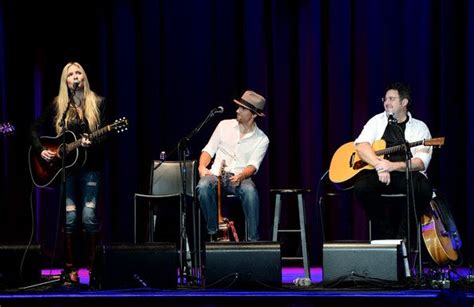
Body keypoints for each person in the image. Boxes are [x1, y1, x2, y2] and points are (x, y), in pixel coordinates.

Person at [30, 62, 106, 285]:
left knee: (88, 217)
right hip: (67, 171)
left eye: (78, 72)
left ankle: (92, 270)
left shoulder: (98, 103)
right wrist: (41, 149)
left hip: (90, 170)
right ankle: (70, 270)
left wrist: (92, 141)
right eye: (70, 74)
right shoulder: (59, 105)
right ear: (65, 80)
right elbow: (33, 128)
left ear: (84, 76)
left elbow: (105, 138)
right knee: (71, 220)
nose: (75, 76)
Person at [353, 82, 433, 240]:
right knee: (361, 187)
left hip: (404, 174)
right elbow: (361, 146)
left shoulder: (419, 127)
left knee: (423, 188)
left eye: (391, 99)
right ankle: (386, 237)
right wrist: (380, 166)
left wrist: (392, 166)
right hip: (379, 172)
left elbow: (420, 163)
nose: (386, 103)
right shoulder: (376, 121)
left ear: (404, 102)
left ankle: (404, 238)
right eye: (385, 99)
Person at [197, 90, 269, 242]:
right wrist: (202, 167)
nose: (237, 110)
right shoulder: (224, 125)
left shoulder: (262, 139)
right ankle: (214, 232)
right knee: (203, 186)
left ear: (254, 115)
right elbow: (208, 150)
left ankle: (253, 240)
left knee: (250, 191)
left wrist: (242, 175)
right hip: (216, 175)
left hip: (240, 177)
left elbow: (253, 165)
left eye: (243, 109)